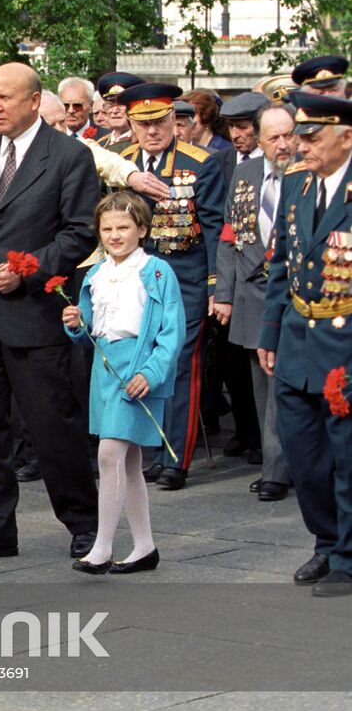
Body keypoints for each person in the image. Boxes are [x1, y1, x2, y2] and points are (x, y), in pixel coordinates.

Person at [0, 62, 100, 561]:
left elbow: (79, 232)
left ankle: (83, 523)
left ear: (34, 101)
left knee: (54, 425)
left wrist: (28, 269)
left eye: (3, 98)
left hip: (34, 312)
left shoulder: (69, 157)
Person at [258, 90, 352, 596]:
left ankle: (348, 555)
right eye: (300, 135)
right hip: (297, 336)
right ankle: (326, 541)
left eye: (313, 137)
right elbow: (281, 264)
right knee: (304, 451)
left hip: (346, 341)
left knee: (347, 454)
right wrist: (270, 332)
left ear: (347, 137)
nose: (301, 145)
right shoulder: (297, 187)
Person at [64, 192, 183, 574]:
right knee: (127, 462)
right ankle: (145, 546)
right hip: (105, 369)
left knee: (110, 454)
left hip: (136, 369)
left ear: (142, 229)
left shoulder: (157, 271)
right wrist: (75, 324)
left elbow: (171, 330)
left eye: (124, 228)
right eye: (107, 229)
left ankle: (101, 547)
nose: (115, 236)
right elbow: (92, 327)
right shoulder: (96, 273)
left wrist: (150, 372)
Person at [115, 82, 226, 490]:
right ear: (131, 124)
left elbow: (214, 228)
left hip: (186, 278)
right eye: (143, 124)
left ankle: (176, 458)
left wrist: (217, 285)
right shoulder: (123, 162)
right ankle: (152, 451)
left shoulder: (201, 163)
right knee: (143, 362)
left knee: (180, 366)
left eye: (160, 122)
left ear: (174, 122)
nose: (152, 132)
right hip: (136, 279)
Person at [215, 104, 296, 501]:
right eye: (274, 137)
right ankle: (276, 465)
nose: (283, 144)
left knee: (288, 383)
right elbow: (229, 236)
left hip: (296, 297)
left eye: (288, 135)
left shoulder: (307, 172)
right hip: (250, 293)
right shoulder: (246, 173)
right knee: (262, 387)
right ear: (259, 141)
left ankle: (283, 469)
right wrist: (225, 294)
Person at [94, 72, 143, 150]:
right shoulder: (100, 144)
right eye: (110, 105)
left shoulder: (141, 144)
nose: (115, 111)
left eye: (121, 105)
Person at [58, 76, 108, 141]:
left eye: (77, 106)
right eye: (65, 105)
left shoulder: (107, 138)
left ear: (91, 105)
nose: (71, 111)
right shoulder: (51, 137)